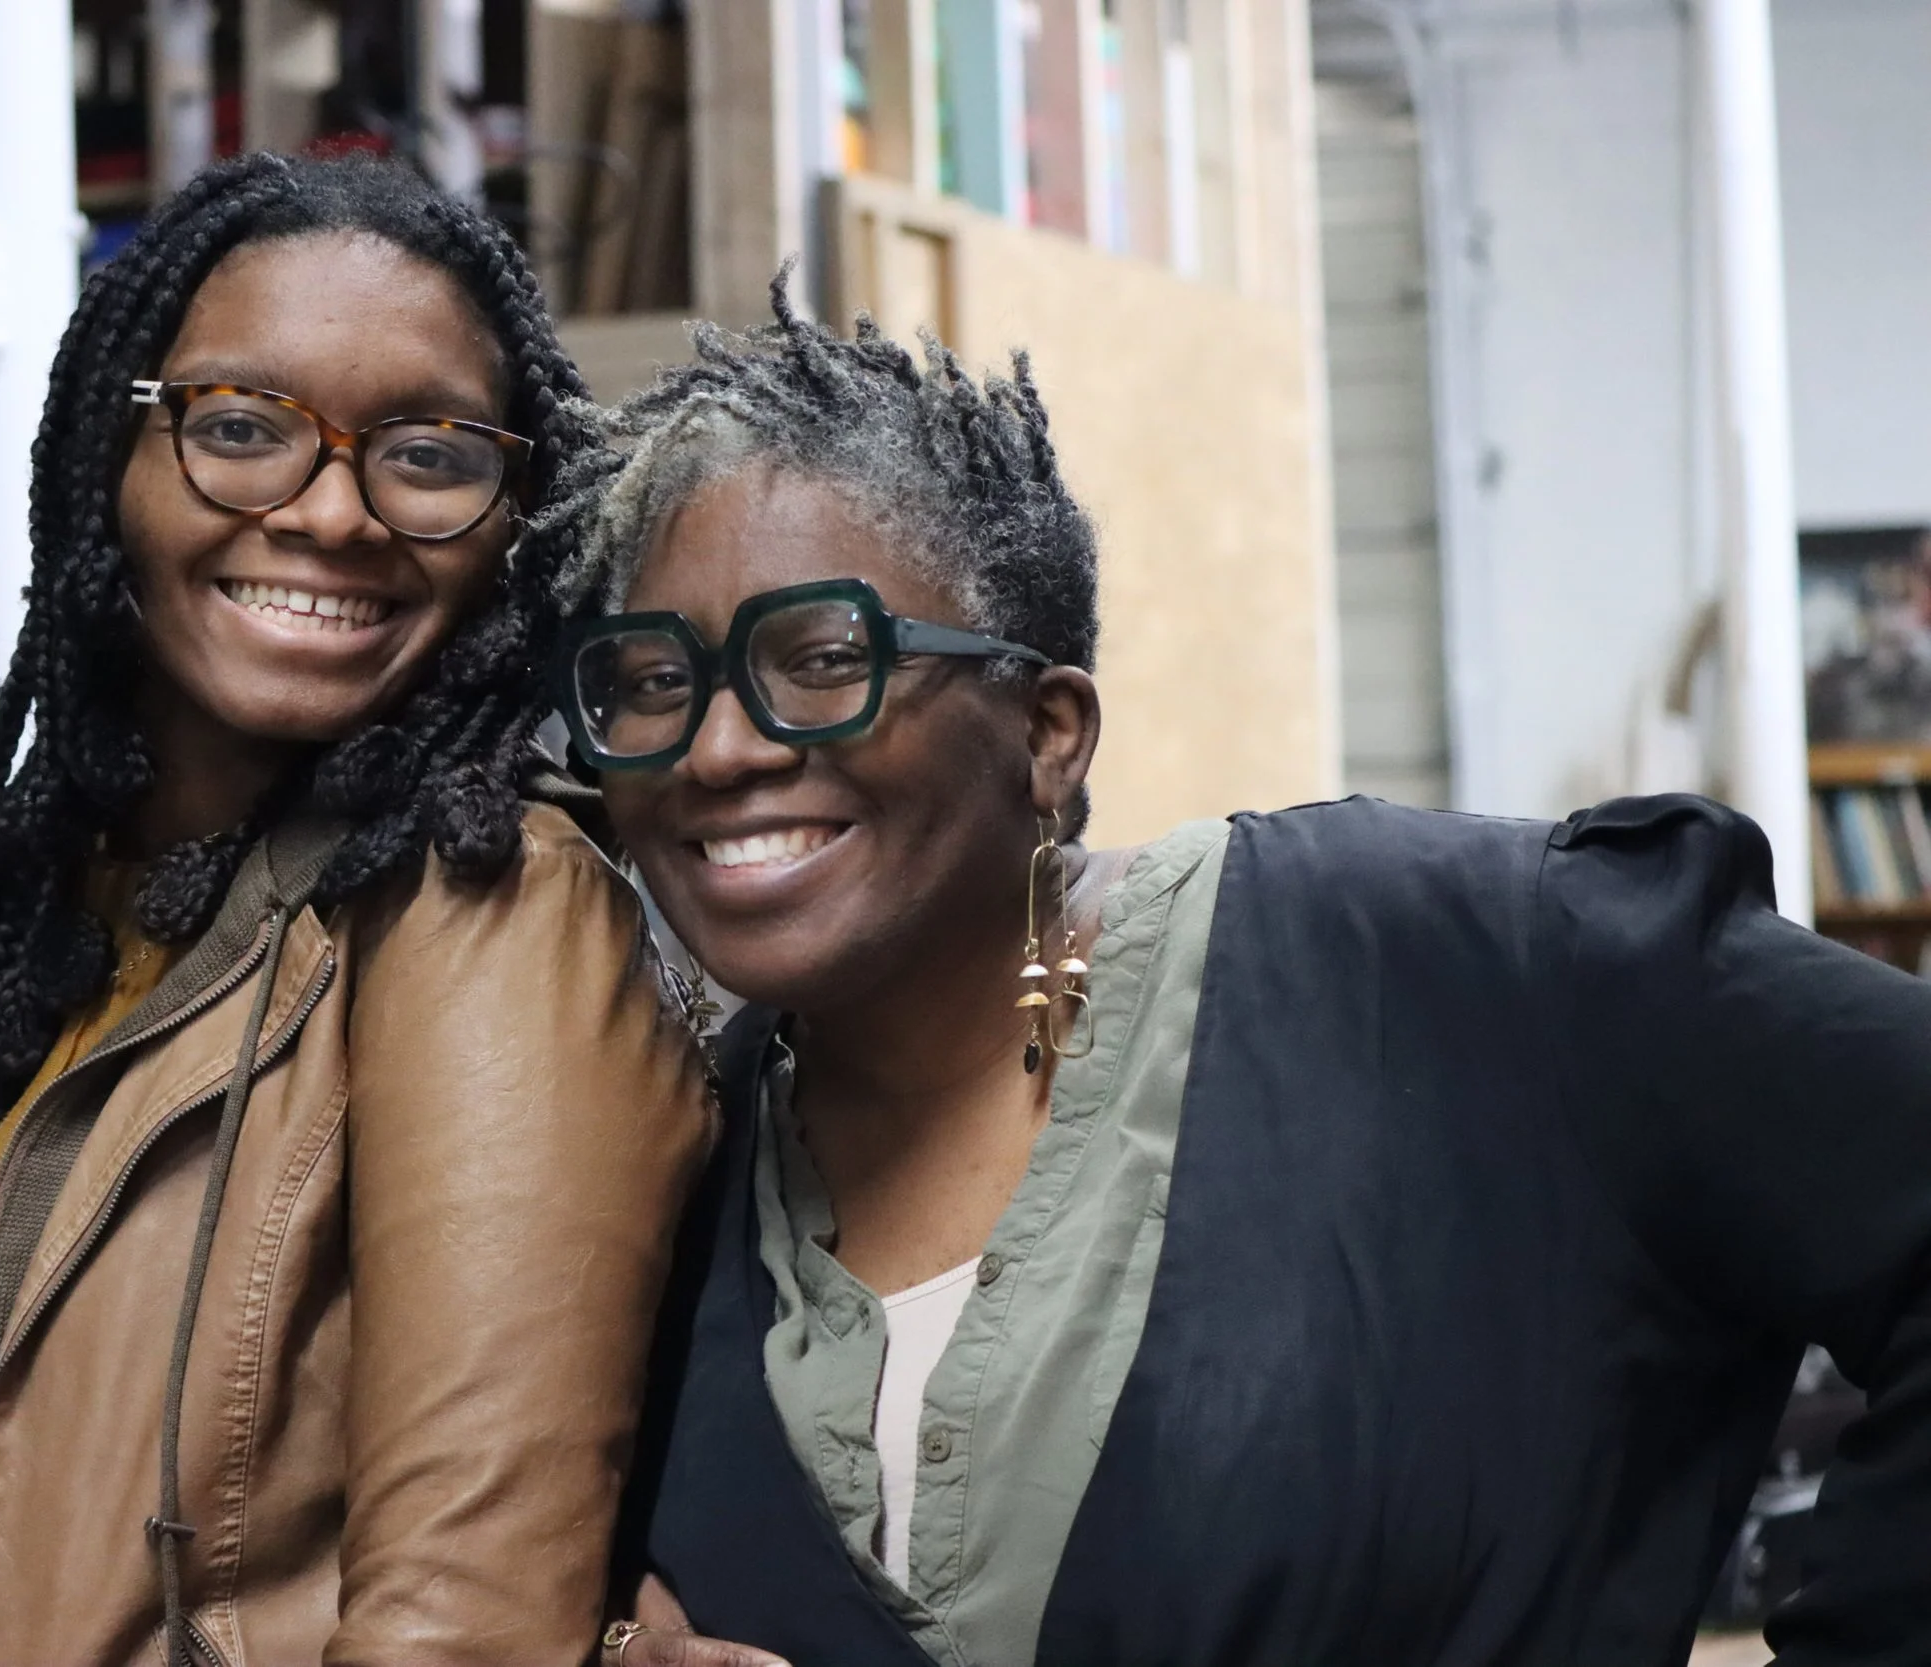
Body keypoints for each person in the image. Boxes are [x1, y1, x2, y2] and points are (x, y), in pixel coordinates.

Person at [564, 285, 1931, 1667]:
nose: (718, 749)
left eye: (821, 660)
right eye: (649, 682)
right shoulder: (652, 1185)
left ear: (1048, 731)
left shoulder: (1459, 966)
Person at [0, 153, 711, 1667]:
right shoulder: (30, 935)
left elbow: (463, 1636)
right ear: (107, 461)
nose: (333, 513)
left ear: (512, 513)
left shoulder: (484, 920)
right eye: (244, 430)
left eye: (430, 453)